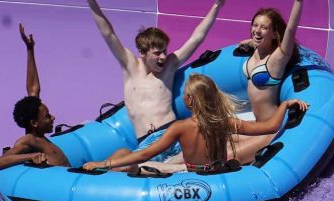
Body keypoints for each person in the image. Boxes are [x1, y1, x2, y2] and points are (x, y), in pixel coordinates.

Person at [81, 0, 229, 169]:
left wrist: (217, 6)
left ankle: (174, 168)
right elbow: (108, 33)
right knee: (121, 159)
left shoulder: (169, 66)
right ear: (142, 53)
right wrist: (91, 1)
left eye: (164, 51)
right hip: (147, 144)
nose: (162, 57)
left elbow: (196, 38)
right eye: (157, 53)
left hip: (172, 137)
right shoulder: (129, 66)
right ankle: (170, 169)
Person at [82, 74, 307, 173]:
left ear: (189, 101)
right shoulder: (224, 122)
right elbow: (269, 127)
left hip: (189, 174)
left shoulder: (179, 127)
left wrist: (102, 165)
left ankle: (102, 170)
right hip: (215, 172)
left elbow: (144, 155)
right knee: (125, 155)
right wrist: (285, 104)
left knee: (125, 157)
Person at [234, 0, 314, 158]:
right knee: (210, 138)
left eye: (264, 28)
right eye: (255, 25)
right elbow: (251, 41)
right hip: (256, 125)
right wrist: (250, 42)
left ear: (274, 33)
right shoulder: (255, 50)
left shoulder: (276, 59)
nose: (257, 30)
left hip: (271, 130)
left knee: (226, 154)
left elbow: (291, 30)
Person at [0, 23, 71, 169]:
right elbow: (1, 161)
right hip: (64, 186)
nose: (53, 117)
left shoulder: (38, 135)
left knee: (120, 153)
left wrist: (30, 49)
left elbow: (33, 88)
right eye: (47, 116)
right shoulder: (29, 141)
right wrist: (31, 156)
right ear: (34, 123)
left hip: (71, 176)